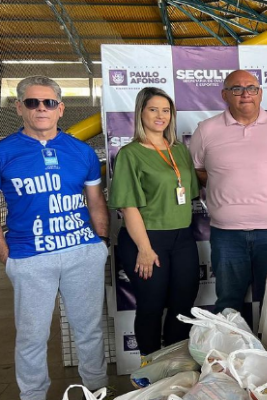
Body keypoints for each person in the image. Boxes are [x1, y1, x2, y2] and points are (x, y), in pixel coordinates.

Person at [0, 76, 109, 399]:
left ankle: (97, 390)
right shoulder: (5, 151)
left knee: (89, 331)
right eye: (32, 102)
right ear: (19, 108)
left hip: (82, 252)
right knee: (32, 336)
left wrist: (100, 242)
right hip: (31, 256)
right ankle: (33, 394)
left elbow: (96, 201)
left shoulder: (81, 152)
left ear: (61, 109)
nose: (41, 108)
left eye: (48, 102)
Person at [190, 70, 267, 314]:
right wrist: (225, 185)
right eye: (237, 89)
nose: (245, 94)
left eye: (252, 88)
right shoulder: (206, 130)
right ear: (224, 95)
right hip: (227, 234)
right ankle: (233, 352)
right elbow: (198, 170)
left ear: (260, 93)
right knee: (228, 302)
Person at [109, 87, 200, 356]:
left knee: (183, 304)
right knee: (151, 305)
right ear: (141, 113)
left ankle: (173, 362)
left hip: (182, 237)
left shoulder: (179, 151)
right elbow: (128, 206)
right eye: (153, 109)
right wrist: (145, 249)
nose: (161, 116)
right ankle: (150, 369)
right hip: (146, 238)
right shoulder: (130, 154)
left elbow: (189, 191)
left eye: (166, 110)